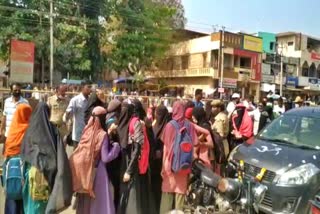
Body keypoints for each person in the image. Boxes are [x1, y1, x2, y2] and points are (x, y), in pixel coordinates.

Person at [21, 103, 73, 214]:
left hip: (30, 174)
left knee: (31, 205)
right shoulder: (53, 130)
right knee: (44, 205)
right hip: (48, 174)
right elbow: (60, 155)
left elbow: (24, 152)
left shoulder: (30, 130)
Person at [70, 106, 120, 214]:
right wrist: (116, 148)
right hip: (98, 172)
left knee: (85, 203)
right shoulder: (102, 134)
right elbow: (106, 158)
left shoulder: (86, 131)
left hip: (85, 172)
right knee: (98, 205)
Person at [159, 101, 199, 214]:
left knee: (167, 194)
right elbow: (195, 143)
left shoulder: (169, 125)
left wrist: (163, 167)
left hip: (169, 164)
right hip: (184, 164)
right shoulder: (189, 125)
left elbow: (165, 148)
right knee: (180, 194)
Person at [117, 99, 154, 214]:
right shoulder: (130, 122)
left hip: (135, 164)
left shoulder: (135, 122)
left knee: (134, 195)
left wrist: (129, 170)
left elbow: (137, 148)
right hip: (132, 162)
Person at [3, 104, 32, 214]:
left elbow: (7, 149)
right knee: (22, 193)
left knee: (12, 189)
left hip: (10, 166)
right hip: (23, 166)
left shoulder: (12, 129)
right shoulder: (28, 129)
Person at [152, 105, 171, 213]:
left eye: (158, 114)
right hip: (158, 162)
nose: (156, 115)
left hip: (162, 161)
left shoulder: (166, 127)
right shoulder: (162, 125)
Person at [105, 99, 122, 211]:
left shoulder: (106, 118)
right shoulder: (115, 121)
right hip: (114, 158)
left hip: (108, 156)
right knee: (116, 186)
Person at [65, 81, 92, 148]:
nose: (90, 89)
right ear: (82, 87)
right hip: (78, 135)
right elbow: (68, 113)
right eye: (88, 87)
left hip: (88, 134)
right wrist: (67, 115)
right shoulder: (75, 100)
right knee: (77, 156)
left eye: (90, 87)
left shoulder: (91, 100)